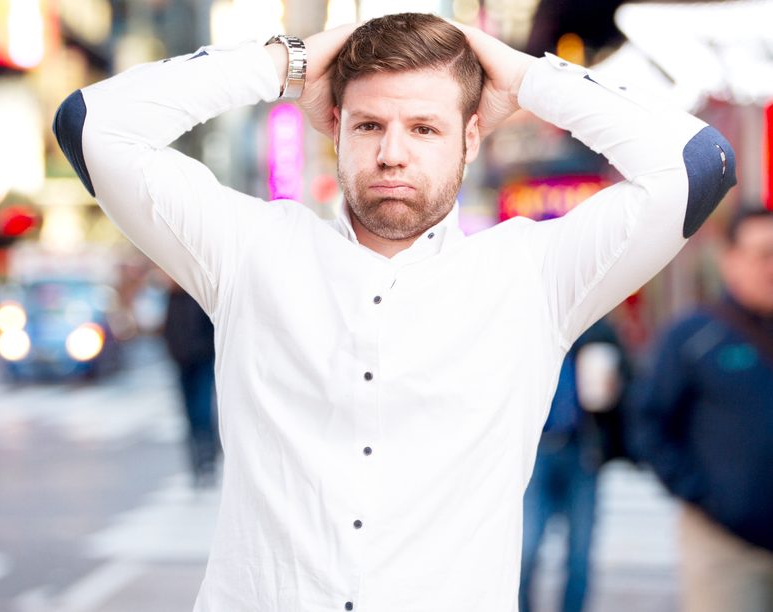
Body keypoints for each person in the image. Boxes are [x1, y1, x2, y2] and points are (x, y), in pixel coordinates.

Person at [52, 12, 735, 610]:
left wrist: (525, 79)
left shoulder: (535, 274)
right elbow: (94, 125)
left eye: (425, 128)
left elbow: (698, 163)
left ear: (472, 138)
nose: (392, 153)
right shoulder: (249, 250)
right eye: (370, 124)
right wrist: (287, 62)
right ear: (334, 128)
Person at [629, 208, 773, 612]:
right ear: (731, 260)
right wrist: (701, 494)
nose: (771, 268)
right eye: (763, 255)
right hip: (726, 549)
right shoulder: (695, 336)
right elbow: (648, 423)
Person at [519, 317, 630, 612]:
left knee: (580, 552)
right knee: (525, 547)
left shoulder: (598, 327)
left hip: (582, 449)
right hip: (535, 449)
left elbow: (627, 386)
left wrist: (615, 386)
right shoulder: (524, 322)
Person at [163, 283, 220, 487]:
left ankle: (207, 455)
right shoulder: (172, 296)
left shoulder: (200, 293)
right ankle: (199, 458)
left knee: (202, 409)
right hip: (183, 361)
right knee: (190, 411)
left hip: (202, 359)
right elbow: (168, 329)